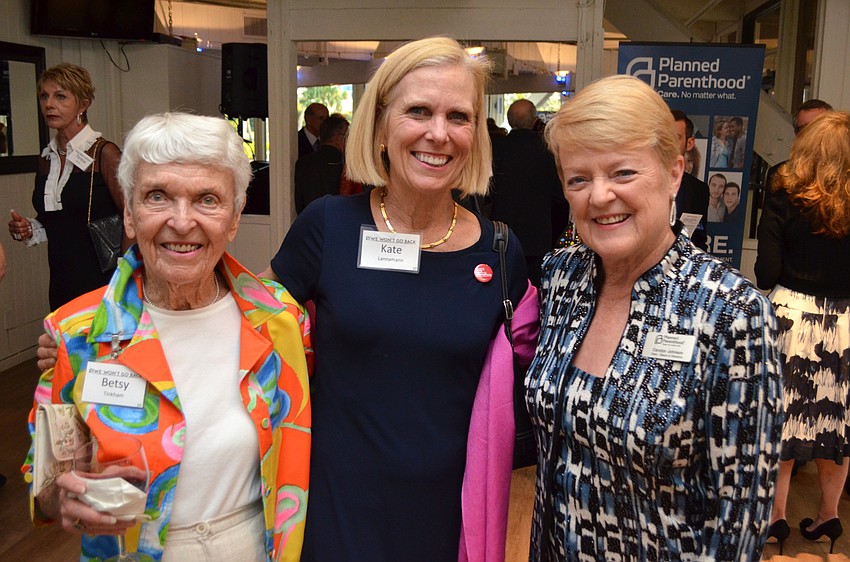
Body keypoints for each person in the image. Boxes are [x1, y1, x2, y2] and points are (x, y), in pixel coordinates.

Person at [260, 37, 538, 562]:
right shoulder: (329, 226)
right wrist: (101, 339)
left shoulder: (500, 250)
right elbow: (243, 321)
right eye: (418, 111)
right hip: (340, 511)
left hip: (451, 517)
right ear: (382, 123)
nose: (439, 133)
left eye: (459, 116)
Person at [22, 112, 312, 562]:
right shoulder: (78, 332)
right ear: (130, 215)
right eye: (158, 196)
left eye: (208, 200)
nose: (182, 221)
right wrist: (68, 499)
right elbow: (46, 486)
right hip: (132, 551)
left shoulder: (279, 320)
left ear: (234, 219)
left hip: (257, 545)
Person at [528, 74, 783, 560]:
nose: (599, 196)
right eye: (578, 179)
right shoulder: (563, 278)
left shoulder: (731, 313)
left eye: (623, 173)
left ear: (673, 174)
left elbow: (739, 523)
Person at [755, 110, 850, 554]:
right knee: (837, 425)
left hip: (792, 318)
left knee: (784, 423)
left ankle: (776, 518)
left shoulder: (784, 193)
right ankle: (829, 516)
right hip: (847, 325)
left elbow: (765, 270)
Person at [7, 63, 125, 310]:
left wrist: (128, 279)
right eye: (44, 96)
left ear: (83, 104)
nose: (49, 104)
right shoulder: (46, 158)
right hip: (62, 277)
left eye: (60, 96)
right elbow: (58, 219)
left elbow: (134, 219)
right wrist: (30, 227)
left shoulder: (105, 153)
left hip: (104, 278)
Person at [490, 98, 567, 286]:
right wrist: (554, 233)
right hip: (538, 238)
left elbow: (484, 194)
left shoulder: (495, 150)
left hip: (500, 237)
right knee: (532, 294)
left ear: (509, 122)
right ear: (534, 120)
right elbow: (560, 199)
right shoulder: (548, 151)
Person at [764, 99, 833, 207]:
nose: (811, 134)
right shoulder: (781, 175)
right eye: (804, 129)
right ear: (796, 134)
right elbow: (770, 222)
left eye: (817, 127)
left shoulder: (844, 174)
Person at [294, 114, 349, 213]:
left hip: (309, 222)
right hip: (338, 222)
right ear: (338, 139)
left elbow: (299, 202)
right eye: (347, 135)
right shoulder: (346, 164)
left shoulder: (303, 163)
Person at [671, 109, 709, 250]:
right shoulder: (640, 181)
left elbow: (699, 240)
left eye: (675, 138)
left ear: (690, 143)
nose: (668, 143)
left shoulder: (699, 190)